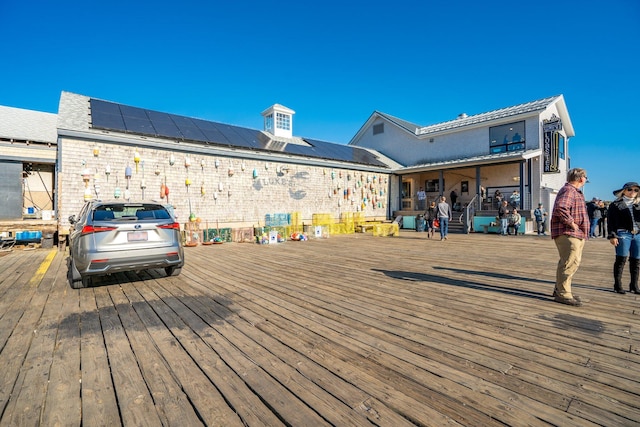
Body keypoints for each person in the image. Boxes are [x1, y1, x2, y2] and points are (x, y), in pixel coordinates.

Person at [550, 168, 589, 306]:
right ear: (581, 178)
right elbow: (561, 207)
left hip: (574, 233)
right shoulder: (569, 190)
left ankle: (560, 289)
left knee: (570, 262)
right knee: (569, 262)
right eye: (585, 178)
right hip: (568, 232)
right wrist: (571, 223)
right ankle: (563, 294)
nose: (585, 180)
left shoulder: (572, 191)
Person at [606, 181, 640, 294]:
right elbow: (610, 222)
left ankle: (634, 285)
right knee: (621, 259)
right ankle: (617, 285)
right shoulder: (615, 205)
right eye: (630, 189)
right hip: (623, 234)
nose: (633, 192)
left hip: (638, 234)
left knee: (636, 261)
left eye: (636, 190)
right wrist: (612, 236)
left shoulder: (639, 204)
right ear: (624, 191)